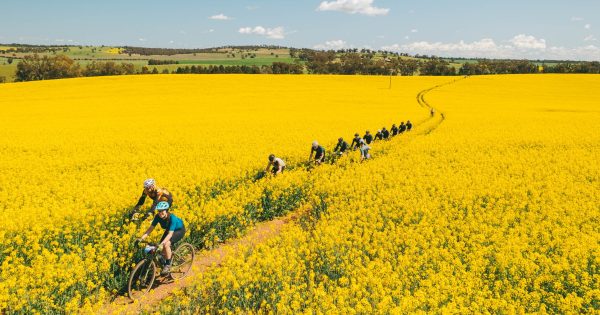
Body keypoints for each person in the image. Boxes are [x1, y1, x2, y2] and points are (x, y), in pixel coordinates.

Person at [136, 201, 186, 276]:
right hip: (169, 230)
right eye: (159, 211)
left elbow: (170, 234)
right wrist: (141, 238)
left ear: (166, 210)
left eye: (162, 211)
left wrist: (162, 244)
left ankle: (168, 265)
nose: (160, 213)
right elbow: (150, 229)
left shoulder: (173, 218)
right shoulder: (157, 217)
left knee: (166, 245)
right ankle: (166, 259)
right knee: (160, 250)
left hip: (178, 230)